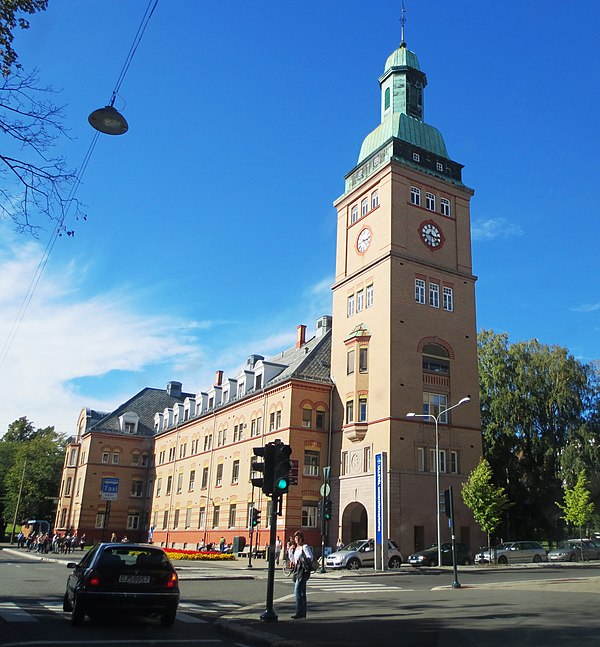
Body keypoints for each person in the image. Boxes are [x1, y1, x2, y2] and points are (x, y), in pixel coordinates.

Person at [290, 531, 313, 619]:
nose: (297, 540)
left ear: (302, 538)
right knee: (302, 592)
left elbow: (310, 557)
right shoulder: (296, 548)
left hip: (303, 571)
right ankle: (303, 612)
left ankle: (299, 612)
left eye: (299, 538)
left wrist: (301, 560)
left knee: (297, 591)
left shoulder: (305, 547)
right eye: (296, 538)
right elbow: (293, 559)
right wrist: (290, 551)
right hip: (297, 570)